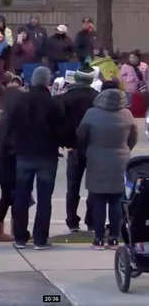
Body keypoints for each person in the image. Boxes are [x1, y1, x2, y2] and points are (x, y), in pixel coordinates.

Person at [9, 66, 64, 250]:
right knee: (44, 198)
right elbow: (61, 130)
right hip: (47, 155)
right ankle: (40, 238)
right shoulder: (53, 103)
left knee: (21, 196)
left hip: (24, 154)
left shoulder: (20, 101)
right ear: (47, 81)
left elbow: (10, 127)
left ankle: (20, 237)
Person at [77, 86, 137, 249]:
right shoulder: (127, 115)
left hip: (96, 158)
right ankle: (114, 238)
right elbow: (133, 138)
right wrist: (124, 150)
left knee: (98, 200)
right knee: (117, 200)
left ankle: (98, 238)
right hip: (120, 161)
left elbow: (81, 136)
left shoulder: (91, 114)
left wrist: (86, 151)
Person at [58, 68, 99, 233]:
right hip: (94, 146)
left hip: (73, 146)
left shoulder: (65, 97)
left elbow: (60, 121)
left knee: (73, 186)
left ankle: (72, 221)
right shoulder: (97, 97)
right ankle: (91, 220)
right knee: (94, 186)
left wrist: (63, 141)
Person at [0, 76, 25, 242]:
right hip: (9, 163)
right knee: (9, 197)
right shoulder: (11, 119)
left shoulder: (4, 117)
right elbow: (8, 142)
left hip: (4, 163)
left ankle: (10, 228)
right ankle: (3, 230)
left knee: (9, 197)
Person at [120, 50, 149, 117]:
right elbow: (122, 77)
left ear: (138, 58)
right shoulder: (125, 66)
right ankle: (130, 117)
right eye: (130, 57)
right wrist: (130, 78)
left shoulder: (144, 65)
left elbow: (147, 77)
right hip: (130, 90)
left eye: (133, 57)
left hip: (143, 88)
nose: (131, 59)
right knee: (129, 105)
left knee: (144, 103)